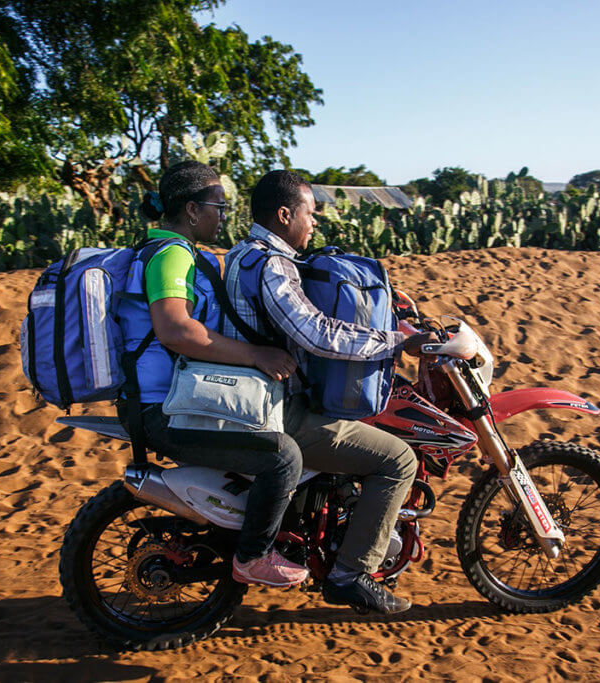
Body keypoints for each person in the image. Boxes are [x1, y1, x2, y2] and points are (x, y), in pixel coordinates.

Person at [222, 170, 438, 614]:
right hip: (277, 411)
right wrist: (397, 342)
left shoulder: (242, 253)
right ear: (285, 215)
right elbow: (317, 333)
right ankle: (350, 574)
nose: (314, 223)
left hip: (255, 399)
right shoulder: (271, 265)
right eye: (310, 213)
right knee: (399, 460)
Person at [117, 160, 308, 587]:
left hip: (180, 398)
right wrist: (255, 355)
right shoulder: (170, 256)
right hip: (164, 408)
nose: (223, 215)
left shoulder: (172, 252)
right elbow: (176, 329)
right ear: (190, 210)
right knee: (283, 457)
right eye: (217, 206)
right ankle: (253, 558)